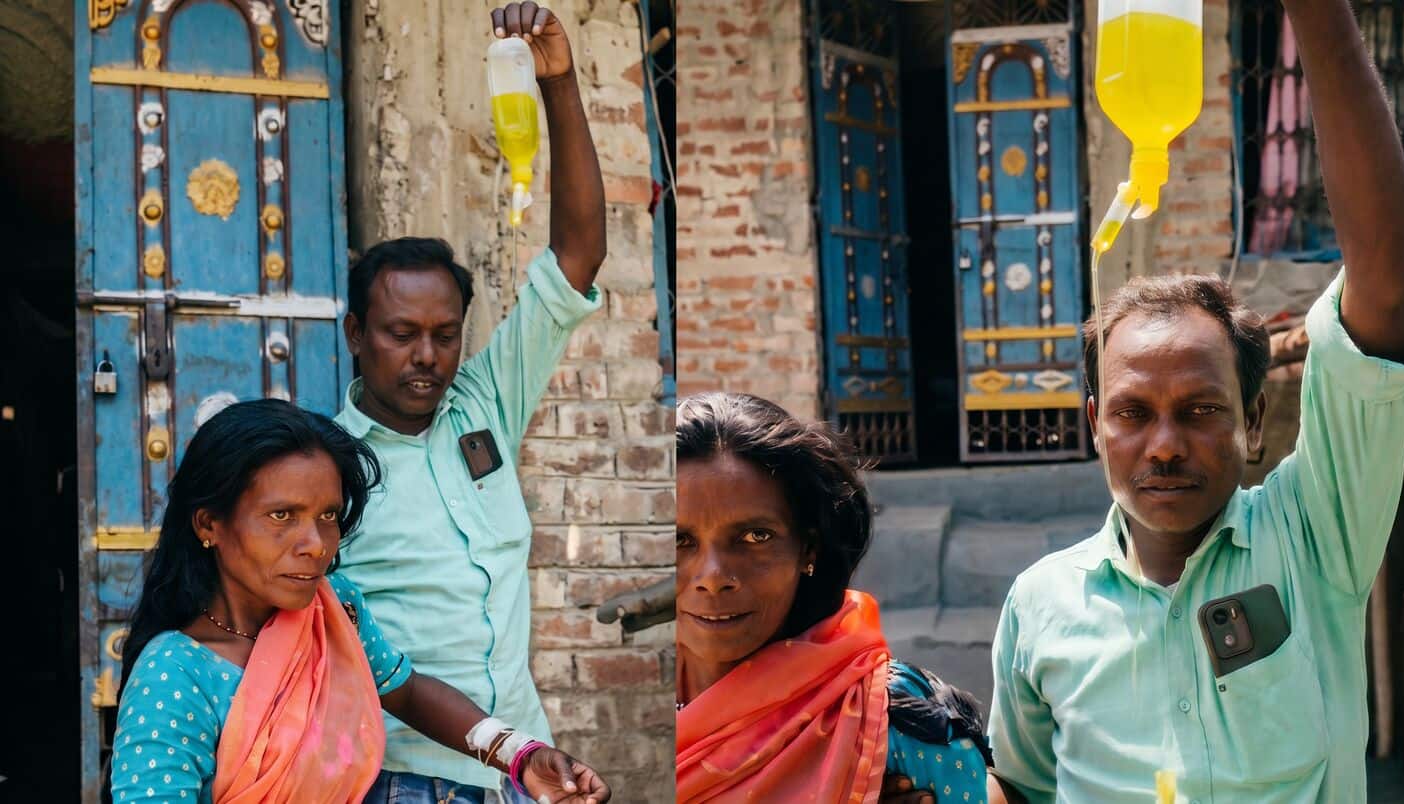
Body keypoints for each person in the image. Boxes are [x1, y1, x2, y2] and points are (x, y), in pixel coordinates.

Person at [982, 2, 1404, 801]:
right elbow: (1020, 786)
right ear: (1095, 426)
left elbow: (1389, 293)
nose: (1163, 444)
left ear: (1254, 421)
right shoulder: (1040, 605)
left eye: (1200, 410)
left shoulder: (1313, 539)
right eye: (1131, 413)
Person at [333, 2, 607, 796]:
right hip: (405, 776)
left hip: (526, 767)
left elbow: (578, 254)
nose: (427, 356)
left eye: (445, 333)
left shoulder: (485, 403)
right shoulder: (327, 465)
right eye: (400, 333)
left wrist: (557, 82)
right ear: (356, 334)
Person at [110, 400, 610, 803]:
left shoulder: (334, 608)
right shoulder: (175, 673)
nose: (315, 544)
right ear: (209, 525)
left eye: (327, 515)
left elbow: (407, 692)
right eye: (282, 515)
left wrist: (520, 755)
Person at [675, 392, 991, 803]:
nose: (713, 577)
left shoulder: (892, 719)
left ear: (807, 549)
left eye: (756, 536)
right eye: (678, 540)